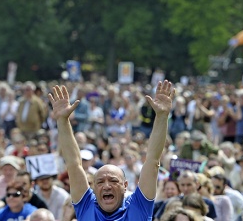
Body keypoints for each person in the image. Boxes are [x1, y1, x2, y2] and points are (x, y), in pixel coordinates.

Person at [48, 81, 175, 220]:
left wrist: (162, 116)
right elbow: (73, 164)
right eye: (100, 182)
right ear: (94, 188)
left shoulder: (138, 206)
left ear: (125, 186)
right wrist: (62, 120)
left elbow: (152, 161)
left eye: (113, 181)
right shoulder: (86, 205)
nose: (107, 186)